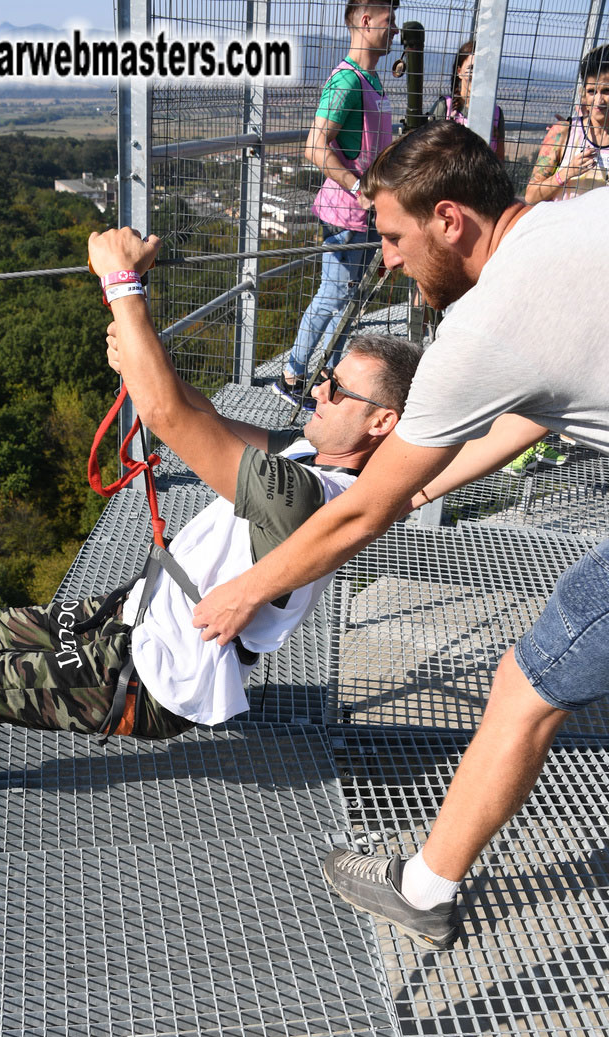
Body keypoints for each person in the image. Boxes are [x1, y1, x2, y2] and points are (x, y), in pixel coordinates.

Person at [0, 228, 421, 794]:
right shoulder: (309, 453)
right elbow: (200, 416)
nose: (319, 387)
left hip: (154, 675)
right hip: (140, 616)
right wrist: (142, 355)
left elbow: (169, 418)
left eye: (339, 388)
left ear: (380, 423)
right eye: (327, 375)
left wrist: (123, 284)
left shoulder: (307, 499)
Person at [191, 121, 609, 951]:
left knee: (529, 685)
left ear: (449, 219)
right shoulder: (580, 219)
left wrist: (246, 590)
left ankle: (422, 890)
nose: (384, 261)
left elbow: (358, 512)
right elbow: (541, 403)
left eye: (391, 236)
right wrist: (427, 483)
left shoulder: (486, 327)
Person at [271, 0, 398, 411]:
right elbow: (314, 145)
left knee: (349, 300)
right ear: (366, 21)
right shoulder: (346, 81)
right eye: (389, 21)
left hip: (365, 214)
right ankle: (292, 375)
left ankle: (327, 377)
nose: (395, 30)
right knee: (333, 295)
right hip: (346, 213)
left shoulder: (371, 80)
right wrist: (358, 186)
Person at [525, 43, 609, 204]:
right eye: (592, 91)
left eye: (606, 91)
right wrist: (568, 172)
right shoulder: (564, 133)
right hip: (562, 219)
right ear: (583, 94)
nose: (599, 100)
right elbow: (531, 195)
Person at [427, 39, 505, 161]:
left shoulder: (496, 114)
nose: (477, 75)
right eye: (471, 68)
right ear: (459, 71)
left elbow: (499, 159)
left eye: (482, 69)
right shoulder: (444, 107)